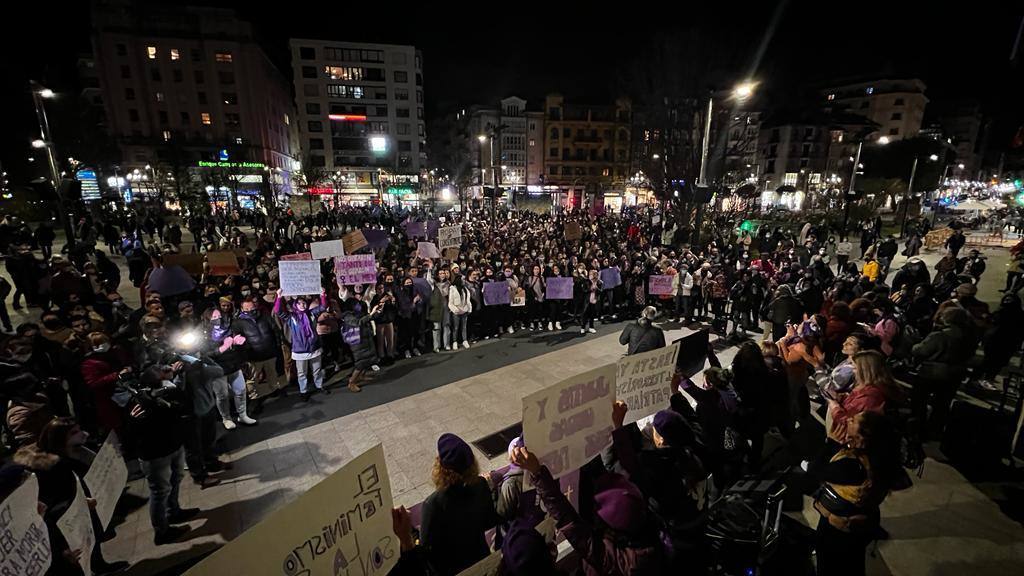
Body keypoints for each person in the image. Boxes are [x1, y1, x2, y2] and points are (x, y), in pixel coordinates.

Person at [511, 445, 669, 576]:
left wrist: (537, 473)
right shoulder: (652, 524)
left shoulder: (618, 561)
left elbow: (569, 522)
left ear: (611, 526)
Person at [14, 418, 130, 575]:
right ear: (60, 439)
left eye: (79, 429)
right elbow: (53, 499)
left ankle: (99, 566)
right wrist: (80, 502)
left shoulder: (74, 452)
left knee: (91, 540)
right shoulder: (51, 467)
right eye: (74, 433)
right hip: (64, 520)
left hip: (80, 510)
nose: (81, 434)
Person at [813, 411, 908, 576]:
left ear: (863, 437)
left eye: (854, 420)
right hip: (861, 526)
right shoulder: (879, 458)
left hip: (838, 531)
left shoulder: (852, 467)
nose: (849, 419)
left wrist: (831, 444)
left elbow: (815, 472)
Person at [129, 365, 200, 545]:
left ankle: (174, 512)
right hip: (155, 454)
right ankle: (161, 531)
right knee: (160, 491)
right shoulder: (139, 403)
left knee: (176, 479)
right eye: (162, 376)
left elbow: (181, 408)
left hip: (173, 445)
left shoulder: (165, 394)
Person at [420, 433, 499, 575]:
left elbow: (426, 550)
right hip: (479, 561)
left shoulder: (433, 504)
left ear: (441, 468)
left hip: (451, 570)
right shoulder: (481, 485)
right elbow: (490, 521)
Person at [275, 288, 329, 400]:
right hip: (300, 350)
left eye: (304, 303)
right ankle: (303, 391)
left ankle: (319, 386)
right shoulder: (291, 317)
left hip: (314, 347)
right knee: (302, 373)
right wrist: (279, 297)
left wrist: (322, 294)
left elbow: (323, 306)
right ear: (295, 305)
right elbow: (278, 311)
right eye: (299, 303)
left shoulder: (312, 314)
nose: (302, 305)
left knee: (317, 370)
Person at [234, 296, 287, 409]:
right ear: (242, 309)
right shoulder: (238, 323)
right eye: (247, 309)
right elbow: (238, 340)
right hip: (253, 357)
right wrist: (245, 354)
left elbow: (275, 330)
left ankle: (274, 390)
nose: (250, 311)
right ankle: (254, 398)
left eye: (252, 308)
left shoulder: (264, 316)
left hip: (269, 353)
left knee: (272, 374)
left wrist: (277, 346)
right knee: (252, 380)